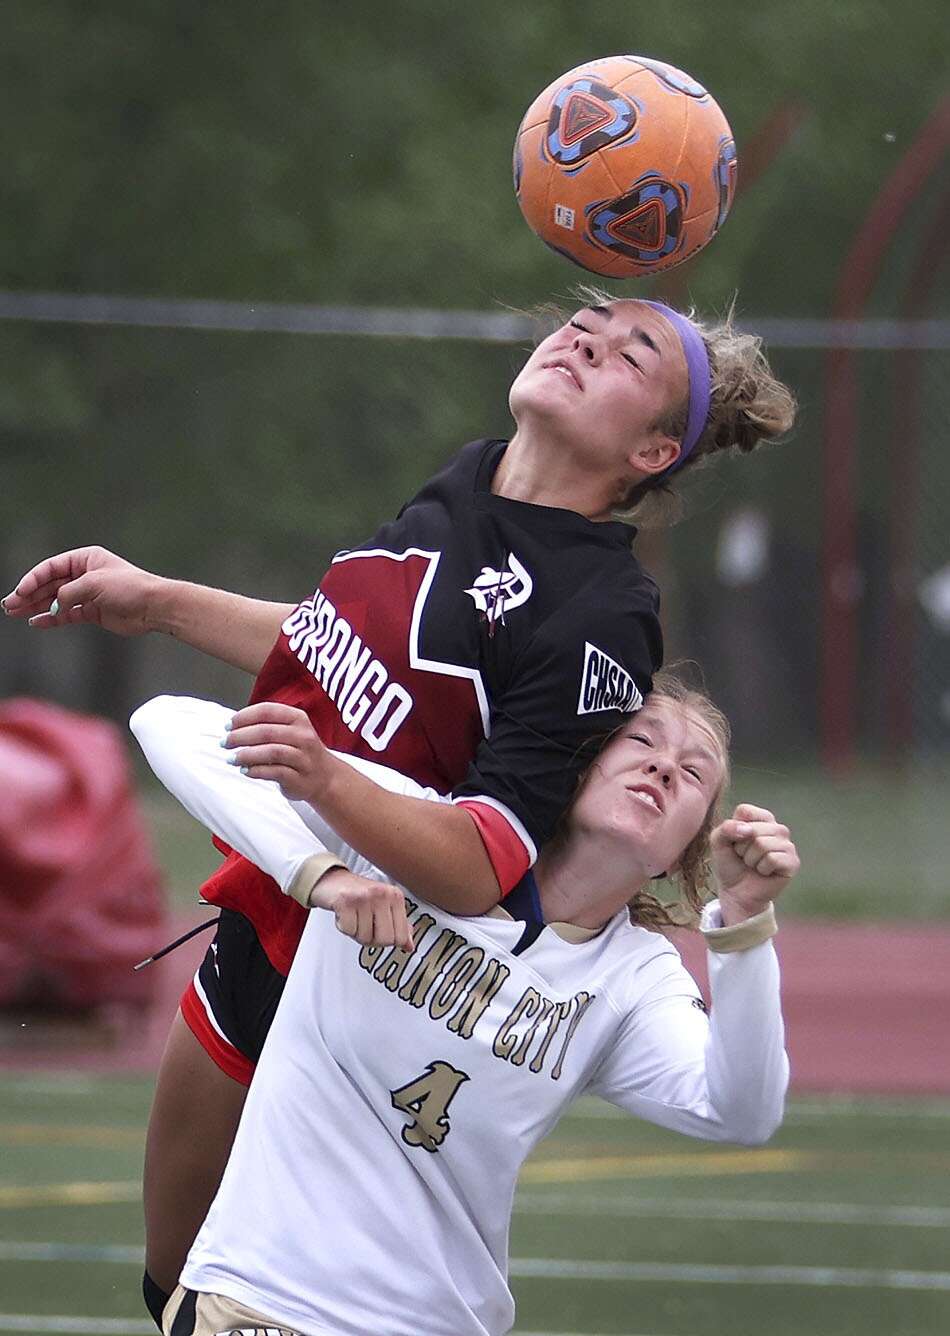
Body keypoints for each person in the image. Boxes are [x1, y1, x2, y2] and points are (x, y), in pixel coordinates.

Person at [2, 293, 797, 1316]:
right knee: (176, 1289)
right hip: (273, 902)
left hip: (371, 947)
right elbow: (334, 655)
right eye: (581, 325)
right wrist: (159, 601)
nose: (582, 340)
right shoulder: (462, 485)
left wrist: (332, 825)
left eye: (628, 351)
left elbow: (485, 859)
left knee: (294, 1286)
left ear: (651, 449)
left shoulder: (600, 611)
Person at [129, 676, 797, 1336]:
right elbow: (167, 720)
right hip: (270, 1304)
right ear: (576, 761)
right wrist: (318, 873)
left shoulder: (634, 976)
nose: (663, 766)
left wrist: (741, 923)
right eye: (642, 740)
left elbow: (739, 1110)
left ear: (686, 847)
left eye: (694, 771)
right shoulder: (414, 832)